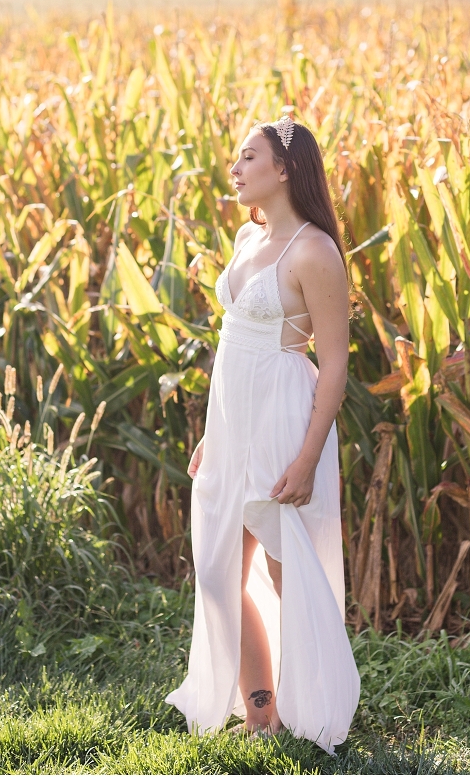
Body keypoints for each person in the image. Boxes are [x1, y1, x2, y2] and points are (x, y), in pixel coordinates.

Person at [166, 115, 360, 753]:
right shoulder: (248, 241)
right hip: (232, 425)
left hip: (282, 419)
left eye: (248, 157)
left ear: (284, 169)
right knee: (219, 569)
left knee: (285, 572)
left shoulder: (314, 250)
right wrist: (210, 433)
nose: (236, 168)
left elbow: (333, 362)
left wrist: (307, 459)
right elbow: (232, 347)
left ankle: (313, 713)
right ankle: (260, 711)